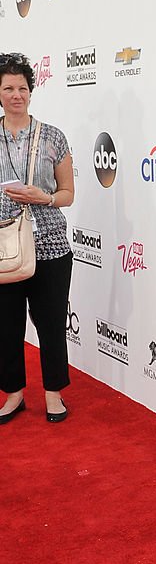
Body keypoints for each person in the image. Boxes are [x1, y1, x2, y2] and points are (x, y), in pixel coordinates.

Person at [0, 54, 75, 425]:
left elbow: (68, 194)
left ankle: (53, 394)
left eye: (23, 88)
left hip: (51, 247)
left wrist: (42, 197)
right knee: (6, 326)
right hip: (4, 248)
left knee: (51, 324)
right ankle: (13, 394)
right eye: (8, 88)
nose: (17, 95)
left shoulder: (52, 137)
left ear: (31, 91)